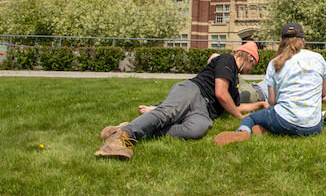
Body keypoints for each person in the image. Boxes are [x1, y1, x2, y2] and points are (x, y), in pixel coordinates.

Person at [95, 41, 267, 160]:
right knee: (167, 114)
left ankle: (129, 128)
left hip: (204, 112)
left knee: (195, 130)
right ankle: (123, 137)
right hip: (193, 91)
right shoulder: (226, 59)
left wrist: (259, 104)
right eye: (253, 65)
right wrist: (239, 116)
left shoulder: (235, 80)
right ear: (249, 58)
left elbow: (235, 104)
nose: (251, 70)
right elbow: (221, 93)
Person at [214, 23, 326, 145]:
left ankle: (243, 132)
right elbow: (323, 93)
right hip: (314, 126)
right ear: (302, 40)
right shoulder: (318, 58)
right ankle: (266, 129)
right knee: (278, 120)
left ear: (282, 40)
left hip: (284, 121)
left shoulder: (275, 63)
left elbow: (272, 101)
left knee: (251, 118)